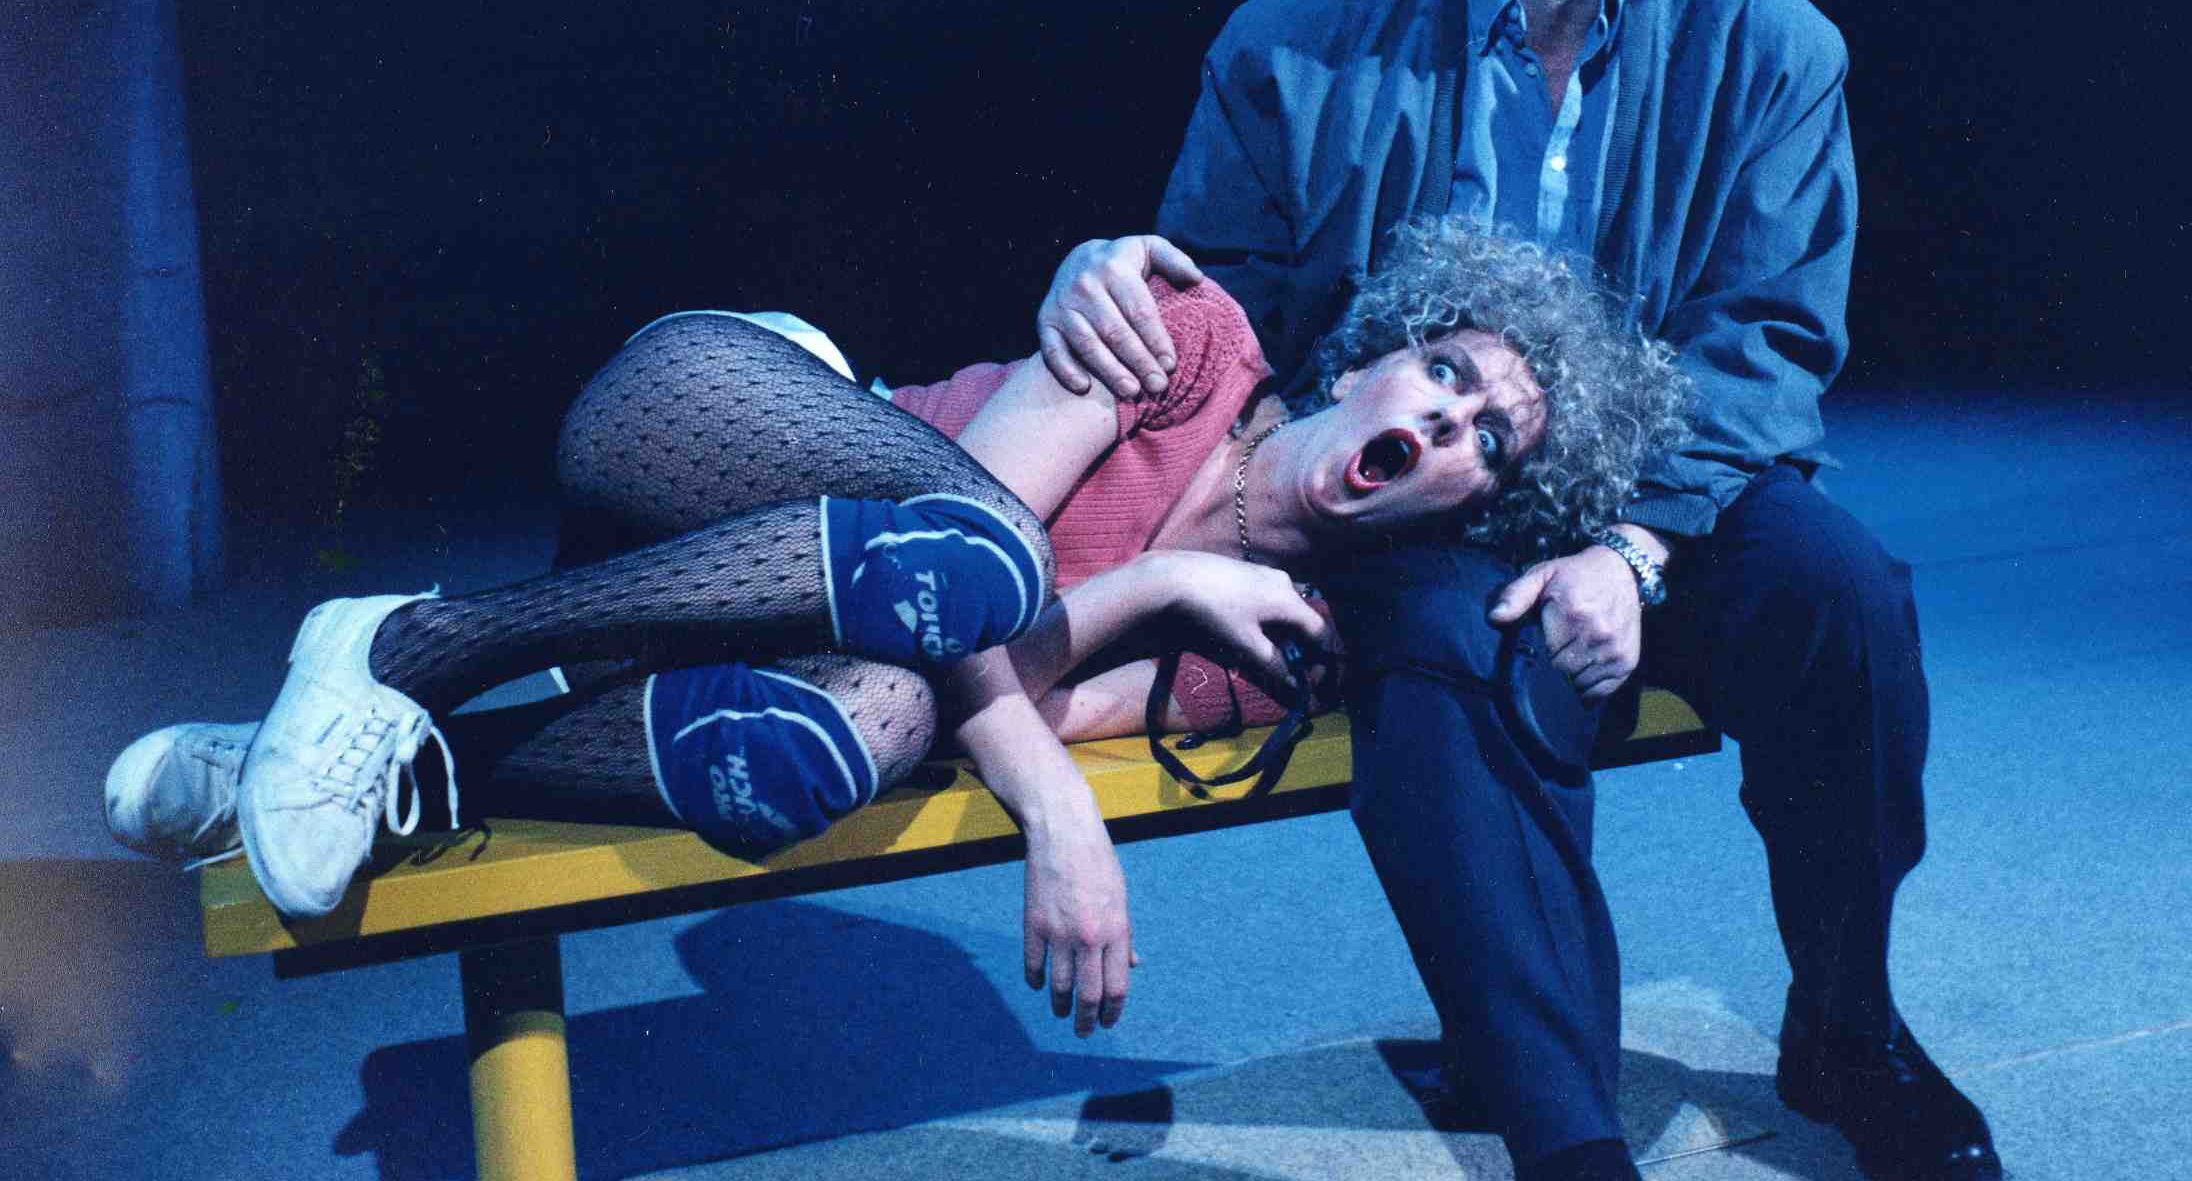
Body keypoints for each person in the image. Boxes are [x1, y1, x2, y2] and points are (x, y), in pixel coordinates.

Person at [1034, 0, 2002, 1181]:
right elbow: (1226, 319)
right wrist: (1108, 266)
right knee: (1456, 646)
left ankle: (1847, 1025)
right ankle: (1569, 1147)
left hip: (1672, 484)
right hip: (1420, 503)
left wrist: (1629, 546)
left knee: (1845, 597)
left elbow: (1765, 345)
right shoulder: (1298, 38)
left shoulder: (1772, 44)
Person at [106, 218, 1686, 1037]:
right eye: (1449, 376)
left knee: (844, 735)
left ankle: (380, 720)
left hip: (694, 651)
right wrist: (1062, 809)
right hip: (710, 444)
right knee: (969, 565)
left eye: (1492, 441)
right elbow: (955, 550)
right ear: (1372, 361)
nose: (1451, 422)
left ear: (1470, 506)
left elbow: (1017, 705)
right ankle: (415, 654)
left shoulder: (1282, 639)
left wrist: (1159, 598)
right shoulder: (1189, 335)